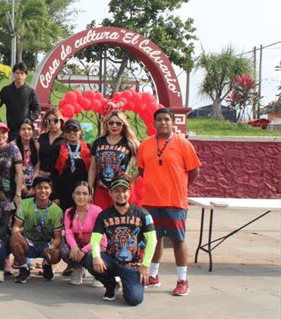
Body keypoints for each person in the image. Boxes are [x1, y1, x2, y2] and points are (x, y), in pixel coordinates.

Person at [137, 108, 201, 296]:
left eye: (166, 119)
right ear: (154, 123)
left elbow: (194, 170)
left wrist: (180, 186)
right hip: (151, 201)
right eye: (159, 119)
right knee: (153, 239)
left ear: (173, 123)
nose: (163, 123)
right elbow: (142, 170)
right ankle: (153, 276)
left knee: (177, 240)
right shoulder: (145, 145)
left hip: (175, 201)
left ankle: (182, 280)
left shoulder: (183, 144)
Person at [82, 178, 157, 305]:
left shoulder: (143, 214)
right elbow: (95, 239)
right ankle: (111, 285)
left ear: (130, 192)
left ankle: (129, 283)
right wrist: (96, 257)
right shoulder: (104, 215)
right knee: (89, 258)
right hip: (111, 260)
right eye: (116, 191)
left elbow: (152, 240)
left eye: (124, 191)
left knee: (134, 299)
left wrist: (145, 265)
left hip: (133, 265)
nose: (121, 194)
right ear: (110, 193)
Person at [10, 176, 63, 283]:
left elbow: (58, 238)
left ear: (51, 190)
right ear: (34, 190)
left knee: (57, 252)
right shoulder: (24, 204)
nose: (43, 191)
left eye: (46, 188)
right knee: (13, 238)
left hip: (46, 245)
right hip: (28, 243)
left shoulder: (57, 211)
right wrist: (16, 231)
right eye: (39, 188)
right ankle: (24, 268)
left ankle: (47, 265)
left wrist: (52, 247)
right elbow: (16, 226)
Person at [88, 110, 140, 210]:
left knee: (123, 220)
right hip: (102, 189)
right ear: (106, 124)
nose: (114, 126)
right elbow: (92, 168)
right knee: (102, 218)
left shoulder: (130, 144)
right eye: (111, 123)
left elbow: (143, 164)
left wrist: (133, 177)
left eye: (118, 123)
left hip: (122, 190)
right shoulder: (98, 142)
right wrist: (90, 189)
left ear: (123, 125)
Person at [61, 181, 105, 285]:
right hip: (79, 244)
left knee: (91, 255)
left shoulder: (97, 211)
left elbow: (100, 238)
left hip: (97, 245)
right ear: (73, 195)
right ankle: (77, 268)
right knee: (64, 249)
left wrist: (84, 251)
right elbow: (68, 233)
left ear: (90, 196)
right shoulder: (68, 211)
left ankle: (98, 274)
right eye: (78, 193)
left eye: (85, 194)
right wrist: (74, 247)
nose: (81, 197)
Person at [53, 119, 90, 212]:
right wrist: (55, 196)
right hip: (64, 190)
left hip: (82, 190)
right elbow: (54, 173)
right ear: (64, 133)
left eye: (75, 129)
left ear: (80, 131)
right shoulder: (58, 147)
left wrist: (90, 192)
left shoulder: (88, 147)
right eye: (68, 130)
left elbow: (92, 171)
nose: (72, 132)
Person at [0, 62, 40, 141]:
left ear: (26, 75)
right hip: (11, 131)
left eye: (22, 73)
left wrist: (29, 119)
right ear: (13, 74)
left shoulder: (31, 92)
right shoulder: (6, 90)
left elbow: (37, 109)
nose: (19, 76)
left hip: (25, 131)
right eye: (17, 73)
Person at [0, 122, 24, 201]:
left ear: (7, 134)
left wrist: (18, 194)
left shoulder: (13, 148)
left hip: (8, 193)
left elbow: (19, 173)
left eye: (3, 132)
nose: (0, 135)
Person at [36, 107, 65, 179]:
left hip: (58, 178)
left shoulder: (65, 138)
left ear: (61, 121)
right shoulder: (42, 137)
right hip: (41, 177)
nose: (52, 124)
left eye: (55, 120)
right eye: (48, 121)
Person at [13, 118, 39, 192]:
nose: (26, 131)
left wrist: (34, 185)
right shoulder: (13, 145)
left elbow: (37, 167)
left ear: (33, 131)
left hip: (32, 185)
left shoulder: (36, 145)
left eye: (29, 129)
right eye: (23, 129)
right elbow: (12, 169)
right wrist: (21, 185)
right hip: (17, 184)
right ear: (19, 132)